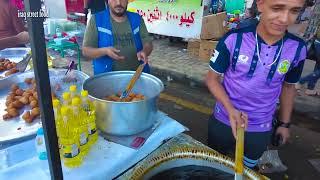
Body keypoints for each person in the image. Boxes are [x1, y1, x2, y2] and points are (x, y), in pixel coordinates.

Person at [206, 0, 307, 169]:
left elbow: (289, 87)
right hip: (223, 119)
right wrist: (230, 110)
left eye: (294, 11)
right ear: (260, 5)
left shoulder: (297, 49)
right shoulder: (233, 39)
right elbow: (211, 78)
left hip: (261, 127)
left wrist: (284, 124)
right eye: (277, 8)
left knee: (247, 170)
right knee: (214, 165)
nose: (284, 19)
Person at [82, 0, 153, 75]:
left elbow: (148, 43)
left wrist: (145, 51)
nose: (118, 3)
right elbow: (86, 51)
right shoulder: (96, 20)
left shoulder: (137, 18)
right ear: (108, 1)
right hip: (107, 79)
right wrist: (105, 51)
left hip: (137, 76)